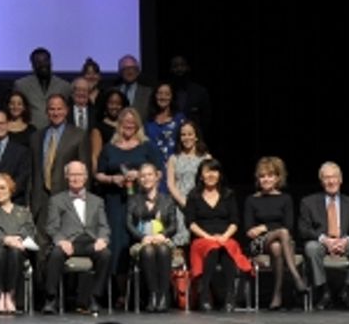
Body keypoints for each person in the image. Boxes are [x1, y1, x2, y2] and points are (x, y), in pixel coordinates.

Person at [95, 107, 164, 283]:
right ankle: (120, 290)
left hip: (142, 201)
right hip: (115, 202)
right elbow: (98, 174)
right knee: (118, 242)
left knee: (141, 238)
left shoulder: (147, 146)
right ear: (119, 124)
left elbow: (159, 172)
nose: (129, 125)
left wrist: (141, 176)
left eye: (132, 123)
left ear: (138, 125)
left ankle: (145, 288)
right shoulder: (109, 148)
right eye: (125, 122)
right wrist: (112, 179)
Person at [298, 161, 349, 310]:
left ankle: (347, 291)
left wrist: (345, 241)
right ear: (321, 181)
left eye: (334, 177)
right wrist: (325, 240)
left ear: (340, 179)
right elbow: (303, 229)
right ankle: (324, 292)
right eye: (326, 178)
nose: (331, 181)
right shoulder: (308, 202)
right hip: (321, 243)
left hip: (343, 242)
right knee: (311, 248)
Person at [40, 160, 110, 314]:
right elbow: (51, 227)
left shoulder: (97, 201)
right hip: (68, 242)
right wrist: (61, 240)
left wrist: (102, 239)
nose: (76, 178)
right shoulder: (57, 200)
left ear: (85, 177)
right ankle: (51, 299)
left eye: (79, 174)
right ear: (66, 177)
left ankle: (95, 298)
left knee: (105, 254)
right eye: (72, 174)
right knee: (55, 254)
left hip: (90, 242)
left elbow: (104, 226)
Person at [243, 156, 308, 310]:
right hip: (258, 244)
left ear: (278, 178)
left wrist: (264, 227)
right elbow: (249, 230)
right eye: (262, 176)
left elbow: (289, 226)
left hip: (281, 243)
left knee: (277, 246)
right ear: (258, 179)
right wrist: (266, 228)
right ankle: (295, 276)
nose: (266, 179)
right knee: (282, 232)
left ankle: (277, 295)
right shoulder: (251, 200)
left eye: (270, 175)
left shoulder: (285, 199)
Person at [186, 157, 250, 311]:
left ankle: (230, 296)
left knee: (226, 249)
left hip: (225, 237)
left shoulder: (228, 194)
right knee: (213, 248)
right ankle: (205, 293)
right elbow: (190, 223)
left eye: (214, 171)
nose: (211, 175)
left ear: (220, 174)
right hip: (202, 239)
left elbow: (235, 221)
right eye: (207, 171)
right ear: (201, 175)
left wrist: (224, 236)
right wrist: (208, 237)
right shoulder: (193, 196)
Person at [0, 172, 35, 314]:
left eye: (2, 188)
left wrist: (18, 238)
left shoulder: (22, 211)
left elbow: (29, 230)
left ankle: (10, 294)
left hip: (17, 248)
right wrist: (6, 239)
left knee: (14, 252)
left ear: (10, 189)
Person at [28, 93, 90, 225]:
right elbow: (32, 173)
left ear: (66, 110)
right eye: (52, 109)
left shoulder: (78, 135)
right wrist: (29, 201)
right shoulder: (36, 137)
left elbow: (85, 173)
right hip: (41, 202)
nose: (56, 113)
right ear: (46, 111)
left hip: (68, 200)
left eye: (59, 109)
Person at [126, 161, 178, 312]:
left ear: (157, 177)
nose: (146, 178)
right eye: (143, 176)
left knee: (162, 249)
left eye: (150, 175)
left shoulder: (167, 200)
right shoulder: (133, 199)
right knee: (148, 250)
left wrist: (162, 235)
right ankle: (152, 295)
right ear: (139, 179)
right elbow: (128, 224)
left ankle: (164, 296)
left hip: (163, 240)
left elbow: (174, 225)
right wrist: (142, 237)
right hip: (141, 241)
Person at [11, 47, 72, 130]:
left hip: (59, 132)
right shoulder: (21, 85)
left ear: (51, 62)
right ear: (32, 65)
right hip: (31, 133)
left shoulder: (64, 86)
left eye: (45, 60)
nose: (43, 64)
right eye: (38, 62)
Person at [144, 81, 185, 160]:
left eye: (167, 94)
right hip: (152, 164)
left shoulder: (179, 119)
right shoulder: (149, 121)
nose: (163, 97)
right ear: (155, 96)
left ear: (172, 97)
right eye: (160, 93)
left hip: (174, 163)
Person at [88, 88, 126, 173]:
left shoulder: (128, 126)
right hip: (107, 173)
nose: (115, 107)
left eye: (118, 104)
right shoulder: (98, 128)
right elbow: (95, 156)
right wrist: (96, 174)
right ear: (105, 105)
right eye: (111, 103)